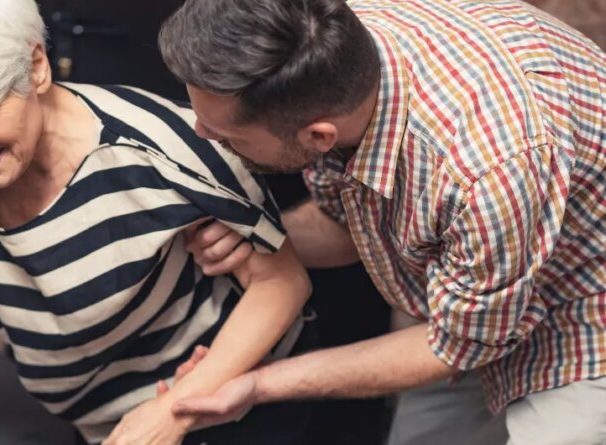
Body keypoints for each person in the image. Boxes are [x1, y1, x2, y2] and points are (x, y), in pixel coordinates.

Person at [0, 1, 316, 444]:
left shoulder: (163, 148)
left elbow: (283, 284)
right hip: (108, 427)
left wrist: (174, 410)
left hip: (227, 410)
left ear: (36, 67)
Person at [156, 0, 606, 444]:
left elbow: (455, 347)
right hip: (475, 292)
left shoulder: (484, 171)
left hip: (584, 306)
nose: (200, 131)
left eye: (229, 136)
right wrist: (255, 239)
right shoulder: (325, 46)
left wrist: (259, 384)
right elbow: (347, 229)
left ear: (318, 135)